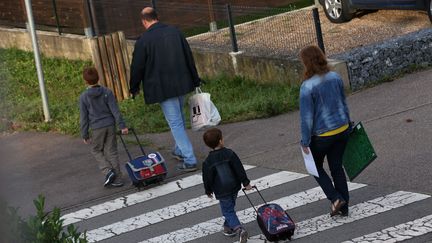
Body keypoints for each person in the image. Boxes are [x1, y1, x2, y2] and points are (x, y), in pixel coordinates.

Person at [129, 7, 201, 172]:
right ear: (157, 17)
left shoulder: (144, 40)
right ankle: (178, 150)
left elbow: (137, 67)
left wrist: (134, 88)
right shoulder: (175, 32)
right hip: (182, 82)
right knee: (180, 118)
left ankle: (189, 159)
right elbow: (188, 55)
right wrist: (195, 78)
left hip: (162, 87)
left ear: (144, 21)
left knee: (175, 122)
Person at [298, 45, 351, 217]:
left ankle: (336, 198)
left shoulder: (307, 87)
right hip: (342, 129)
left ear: (306, 63)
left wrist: (305, 141)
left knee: (315, 167)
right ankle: (344, 207)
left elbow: (307, 118)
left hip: (323, 135)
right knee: (337, 168)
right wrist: (348, 124)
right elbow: (343, 102)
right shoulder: (335, 77)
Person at [79, 67, 129, 187]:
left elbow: (84, 117)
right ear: (98, 78)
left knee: (96, 149)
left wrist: (84, 134)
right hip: (110, 125)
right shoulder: (107, 92)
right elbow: (115, 110)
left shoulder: (84, 97)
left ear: (85, 81)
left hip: (97, 128)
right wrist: (122, 125)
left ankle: (108, 170)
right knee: (111, 151)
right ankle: (118, 179)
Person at [202, 128, 251, 243]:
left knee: (228, 211)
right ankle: (228, 228)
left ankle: (239, 229)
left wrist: (208, 190)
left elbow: (207, 178)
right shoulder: (230, 153)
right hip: (234, 187)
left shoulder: (208, 161)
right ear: (220, 141)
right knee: (229, 208)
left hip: (221, 191)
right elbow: (239, 169)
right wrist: (246, 182)